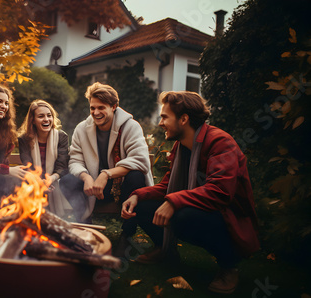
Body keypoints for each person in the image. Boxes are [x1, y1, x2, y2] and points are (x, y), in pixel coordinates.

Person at [121, 91, 260, 294]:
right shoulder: (181, 146)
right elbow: (167, 186)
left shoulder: (220, 142)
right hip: (203, 207)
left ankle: (229, 266)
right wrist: (137, 195)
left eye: (164, 117)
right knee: (142, 204)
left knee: (184, 216)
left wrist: (174, 201)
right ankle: (164, 250)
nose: (160, 123)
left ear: (184, 119)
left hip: (229, 217)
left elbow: (220, 191)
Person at [62, 82, 154, 250]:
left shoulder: (131, 126)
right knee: (67, 181)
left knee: (136, 176)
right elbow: (75, 159)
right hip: (94, 187)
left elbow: (140, 160)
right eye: (92, 108)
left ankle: (127, 234)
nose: (96, 113)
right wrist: (86, 176)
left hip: (122, 186)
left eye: (101, 108)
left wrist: (106, 174)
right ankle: (85, 228)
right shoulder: (81, 129)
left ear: (114, 107)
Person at [18, 99, 72, 217]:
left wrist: (49, 180)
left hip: (54, 180)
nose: (46, 119)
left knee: (67, 183)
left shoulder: (61, 136)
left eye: (49, 115)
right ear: (32, 120)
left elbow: (62, 165)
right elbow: (28, 164)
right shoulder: (24, 139)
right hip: (33, 179)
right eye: (41, 116)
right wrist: (39, 182)